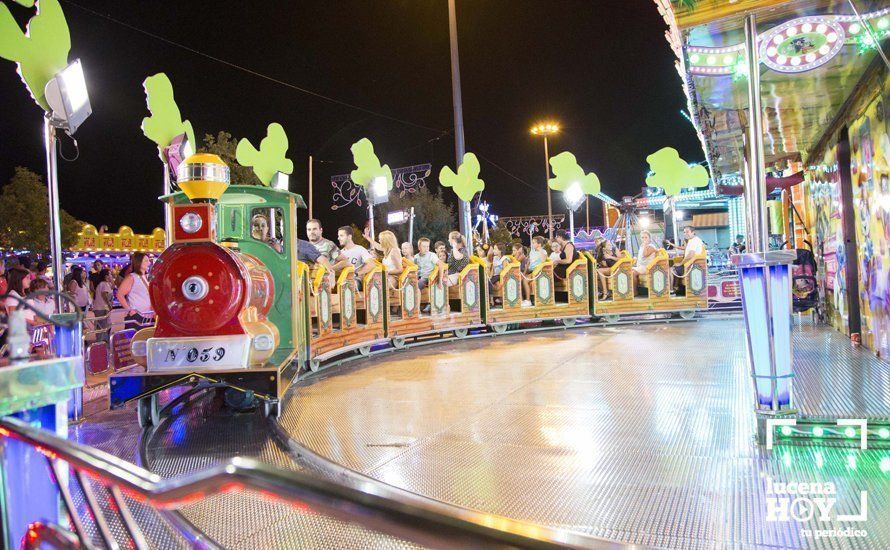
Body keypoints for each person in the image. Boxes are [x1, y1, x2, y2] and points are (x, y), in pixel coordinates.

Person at [117, 252, 154, 331]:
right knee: (137, 340)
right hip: (137, 316)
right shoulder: (131, 277)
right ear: (139, 262)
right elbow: (119, 295)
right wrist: (130, 310)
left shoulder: (146, 277)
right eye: (146, 261)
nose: (149, 263)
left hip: (148, 315)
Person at [674, 226, 705, 293]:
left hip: (692, 265)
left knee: (671, 270)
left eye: (687, 232)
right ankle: (679, 289)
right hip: (690, 263)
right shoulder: (692, 240)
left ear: (693, 232)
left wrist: (681, 263)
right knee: (674, 265)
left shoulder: (695, 240)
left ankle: (674, 289)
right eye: (684, 232)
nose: (685, 233)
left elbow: (691, 254)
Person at [91, 269, 114, 341]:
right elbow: (104, 294)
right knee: (104, 326)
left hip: (100, 308)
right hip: (102, 308)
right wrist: (109, 305)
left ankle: (102, 341)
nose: (111, 275)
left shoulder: (103, 283)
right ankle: (102, 341)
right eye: (110, 274)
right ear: (106, 276)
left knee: (102, 325)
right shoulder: (104, 284)